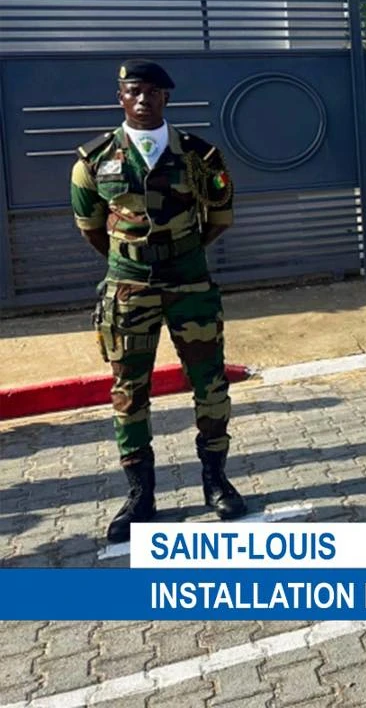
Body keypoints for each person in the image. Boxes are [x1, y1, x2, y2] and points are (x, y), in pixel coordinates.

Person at [72, 60, 246, 543]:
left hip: (189, 282)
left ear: (167, 97)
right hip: (128, 288)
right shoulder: (94, 160)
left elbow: (219, 217)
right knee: (129, 392)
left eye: (152, 91)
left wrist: (178, 252)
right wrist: (135, 259)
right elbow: (90, 229)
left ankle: (216, 481)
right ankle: (140, 495)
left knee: (209, 383)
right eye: (133, 91)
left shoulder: (200, 156)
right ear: (120, 98)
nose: (143, 99)